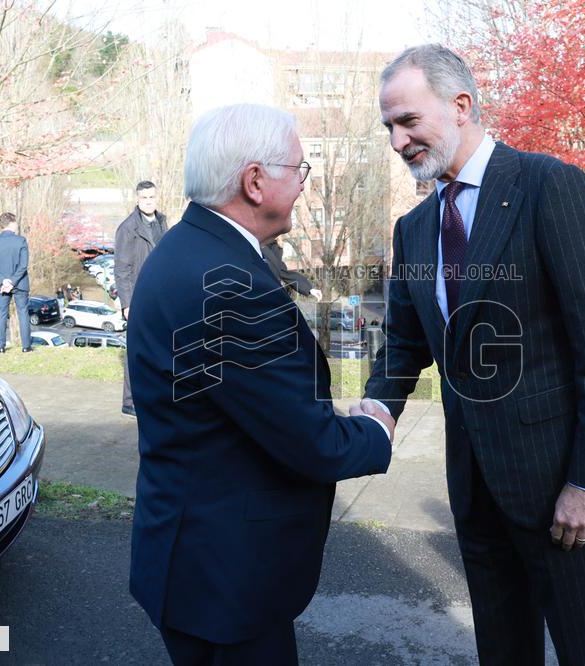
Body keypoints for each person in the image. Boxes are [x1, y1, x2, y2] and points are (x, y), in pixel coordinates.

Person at [362, 45, 585, 665]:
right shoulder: (414, 228)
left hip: (567, 497)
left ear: (461, 106)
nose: (398, 140)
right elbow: (404, 344)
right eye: (389, 127)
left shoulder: (549, 187)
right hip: (477, 490)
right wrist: (376, 413)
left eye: (408, 121)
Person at [127, 103, 395, 666]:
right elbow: (310, 444)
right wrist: (374, 430)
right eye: (299, 172)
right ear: (255, 181)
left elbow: (247, 407)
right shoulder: (228, 285)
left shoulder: (188, 249)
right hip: (226, 578)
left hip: (196, 558)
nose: (302, 186)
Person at [115, 180, 167, 417]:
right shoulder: (128, 228)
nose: (149, 201)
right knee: (136, 350)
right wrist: (126, 303)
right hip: (137, 297)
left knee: (158, 348)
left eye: (152, 197)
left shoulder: (162, 222)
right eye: (145, 197)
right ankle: (130, 401)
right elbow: (122, 269)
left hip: (160, 296)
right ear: (137, 198)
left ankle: (154, 395)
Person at [0, 212, 32, 353]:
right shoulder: (21, 241)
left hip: (2, 285)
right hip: (20, 283)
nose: (17, 225)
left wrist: (3, 280)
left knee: (1, 314)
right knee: (22, 312)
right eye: (16, 222)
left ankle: (0, 347)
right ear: (11, 223)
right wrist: (12, 281)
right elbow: (23, 265)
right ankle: (26, 347)